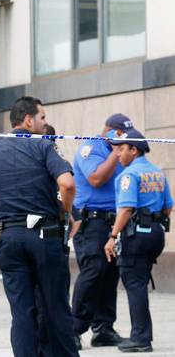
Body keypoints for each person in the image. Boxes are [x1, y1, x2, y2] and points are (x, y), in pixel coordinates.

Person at [0, 96, 78, 357]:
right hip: (45, 237)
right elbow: (68, 184)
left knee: (22, 313)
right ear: (28, 120)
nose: (44, 123)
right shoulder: (43, 147)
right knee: (56, 309)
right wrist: (66, 211)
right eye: (42, 117)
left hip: (9, 239)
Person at [105, 129, 172, 353]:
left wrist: (112, 236)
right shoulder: (157, 173)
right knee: (139, 283)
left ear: (134, 150)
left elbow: (125, 209)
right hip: (155, 234)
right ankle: (141, 335)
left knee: (134, 285)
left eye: (122, 149)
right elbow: (169, 205)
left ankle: (141, 338)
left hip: (136, 234)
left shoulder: (128, 175)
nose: (118, 155)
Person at [71, 114, 132, 349]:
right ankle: (74, 328)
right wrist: (116, 153)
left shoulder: (121, 150)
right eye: (120, 134)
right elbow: (96, 178)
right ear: (110, 131)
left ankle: (103, 328)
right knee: (93, 270)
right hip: (92, 221)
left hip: (114, 221)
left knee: (110, 273)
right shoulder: (90, 148)